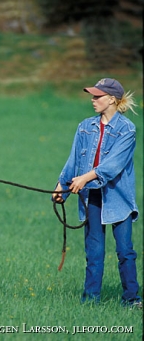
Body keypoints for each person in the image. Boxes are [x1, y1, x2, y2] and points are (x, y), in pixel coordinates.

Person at [52, 78, 141, 308]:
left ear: (112, 99)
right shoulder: (84, 127)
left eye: (97, 96)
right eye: (92, 95)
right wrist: (61, 187)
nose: (92, 100)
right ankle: (90, 301)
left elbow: (112, 166)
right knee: (94, 254)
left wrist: (84, 178)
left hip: (118, 199)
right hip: (91, 198)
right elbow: (73, 162)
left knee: (125, 252)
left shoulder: (127, 130)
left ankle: (131, 299)